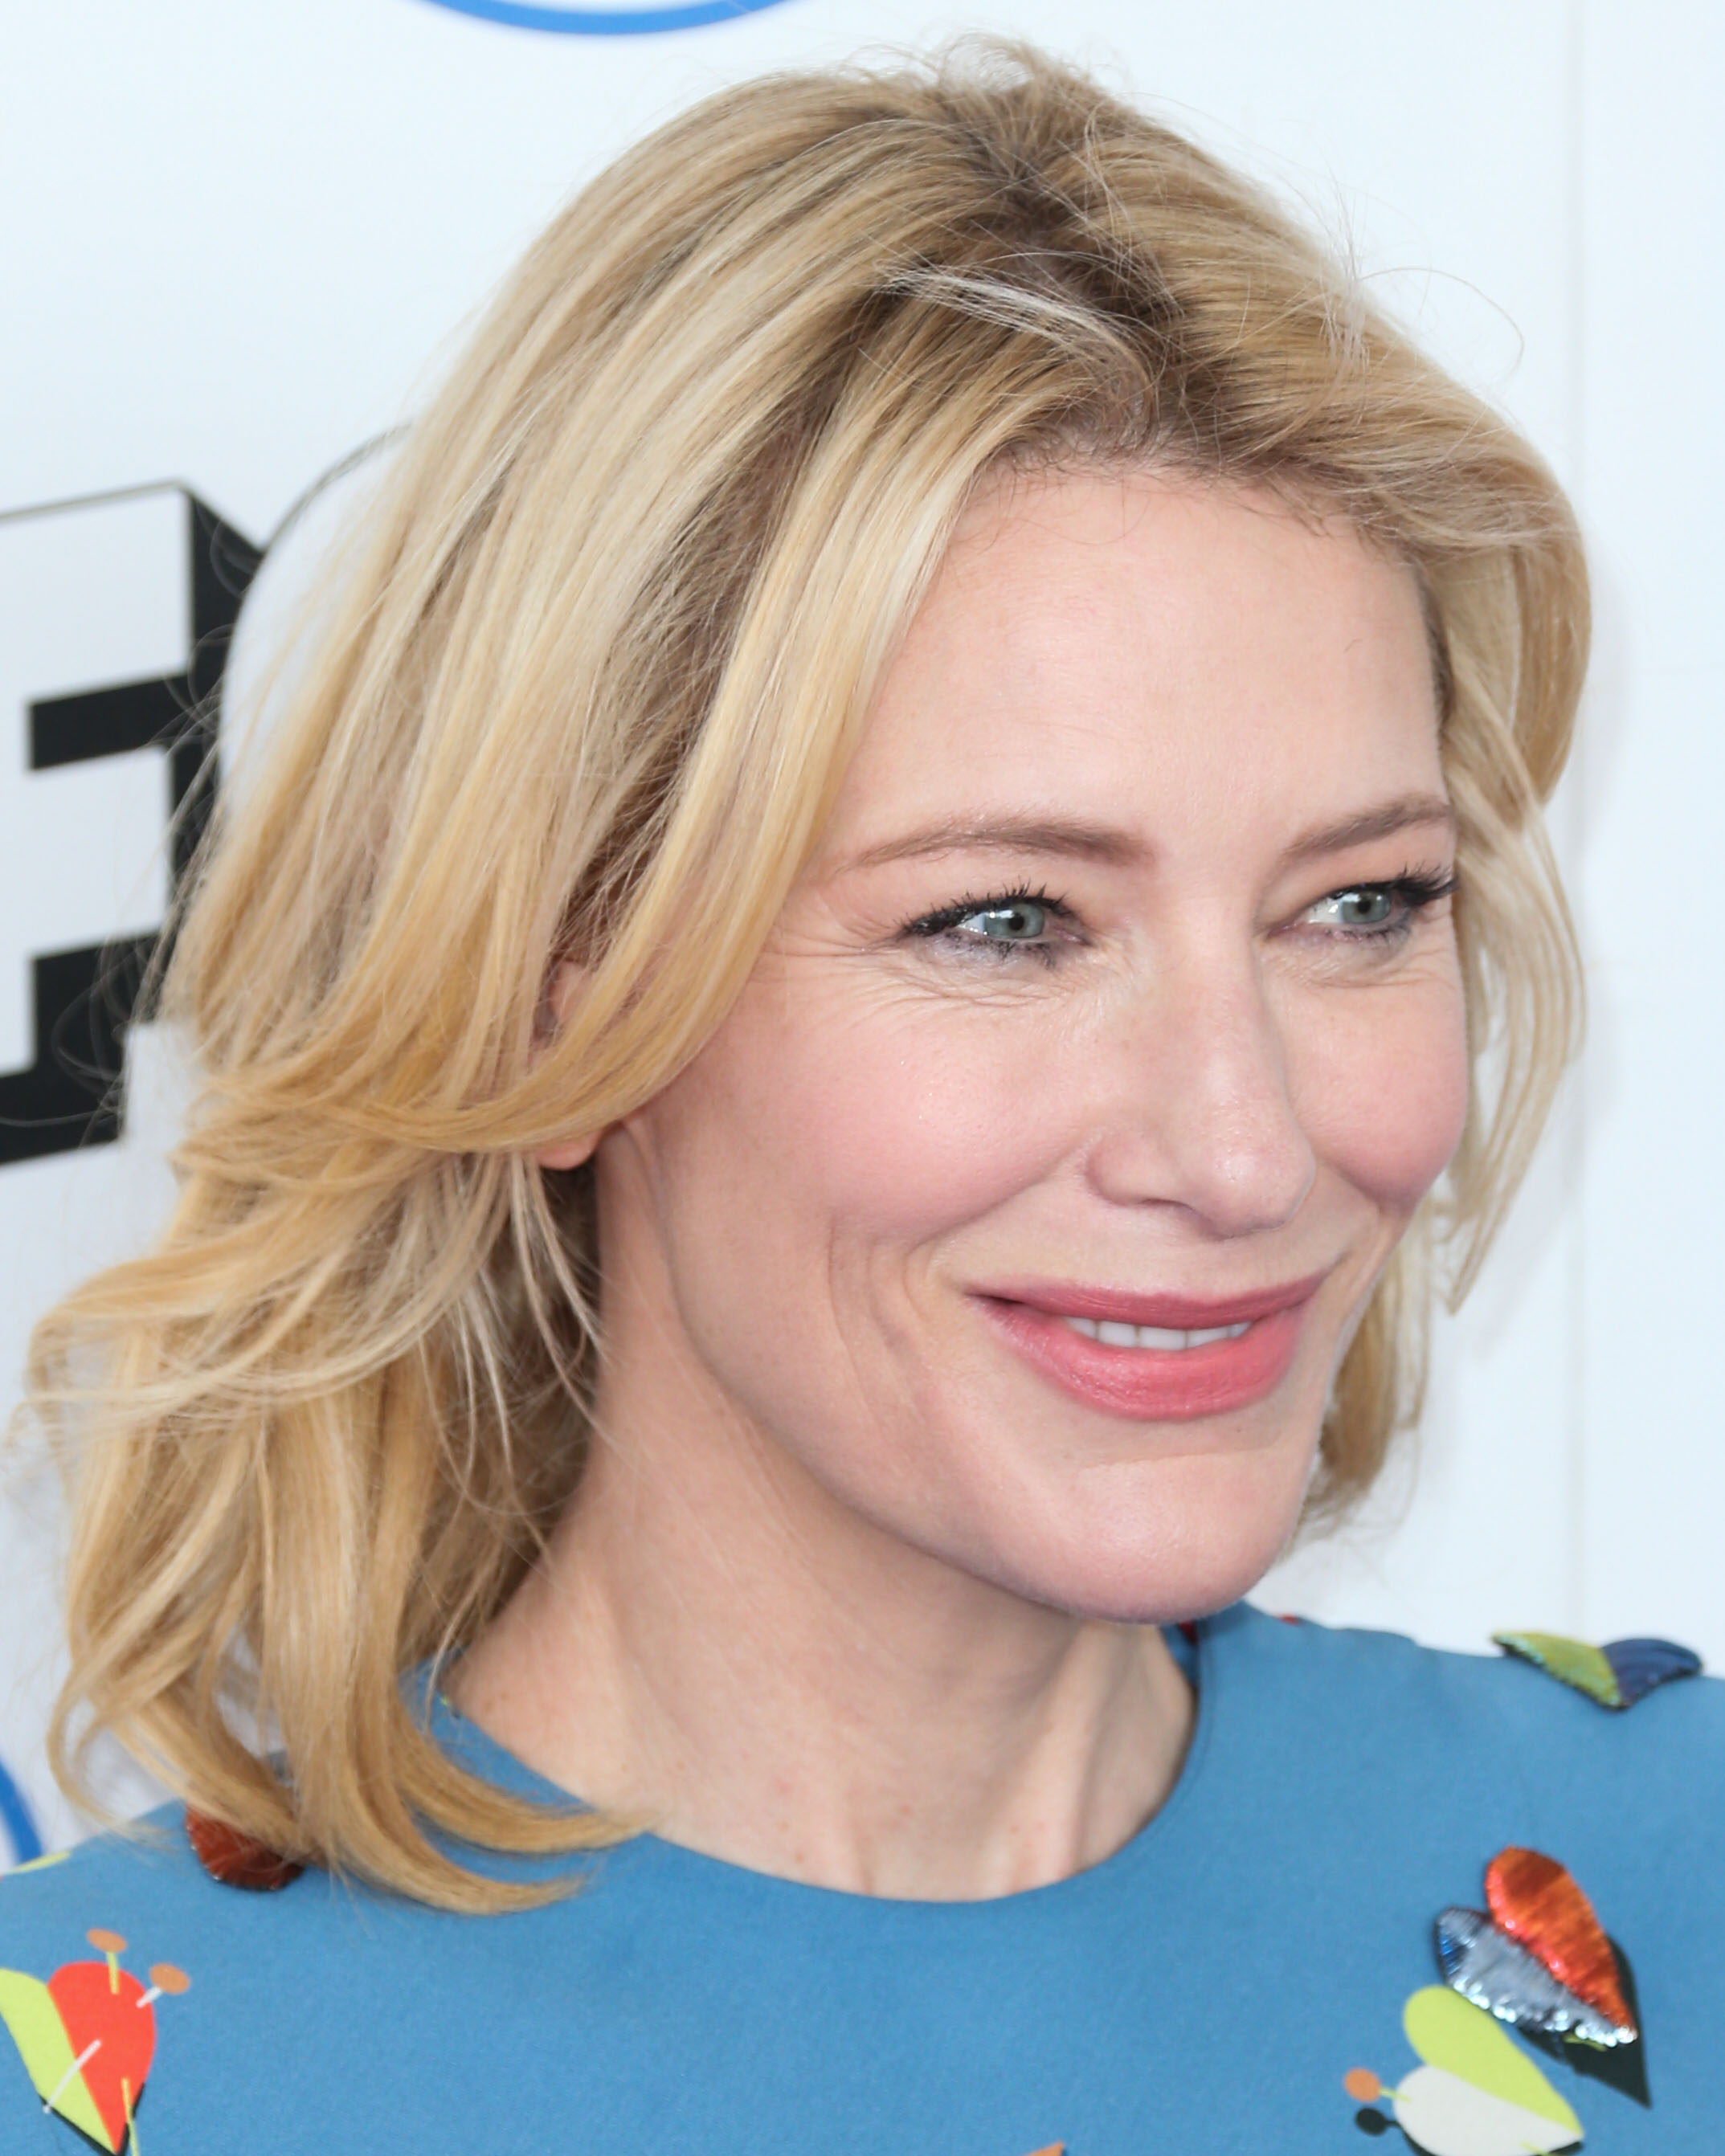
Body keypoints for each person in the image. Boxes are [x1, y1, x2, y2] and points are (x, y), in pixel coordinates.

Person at [2, 39, 1719, 2156]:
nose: (1247, 1146)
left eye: (1358, 903)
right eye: (1006, 923)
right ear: (550, 1001)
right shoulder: (89, 2078)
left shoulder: (1683, 1878)